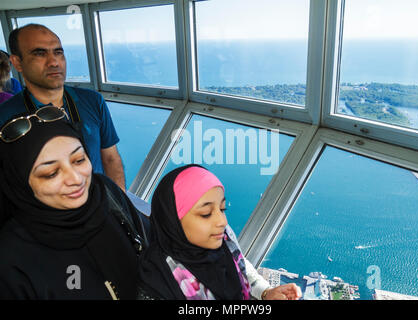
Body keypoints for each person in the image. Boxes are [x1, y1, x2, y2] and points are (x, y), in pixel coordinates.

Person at [0, 111, 148, 299]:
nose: (76, 179)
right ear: (19, 184)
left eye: (79, 160)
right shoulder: (11, 263)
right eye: (51, 173)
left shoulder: (106, 193)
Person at [138, 164, 301, 300]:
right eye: (206, 213)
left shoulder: (221, 239)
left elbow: (239, 264)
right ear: (172, 221)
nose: (222, 222)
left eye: (222, 209)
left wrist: (266, 292)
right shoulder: (157, 284)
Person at [0, 23, 125, 190]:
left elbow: (110, 158)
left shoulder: (93, 101)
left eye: (58, 52)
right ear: (17, 63)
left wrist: (120, 206)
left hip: (99, 206)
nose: (53, 62)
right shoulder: (5, 116)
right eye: (39, 53)